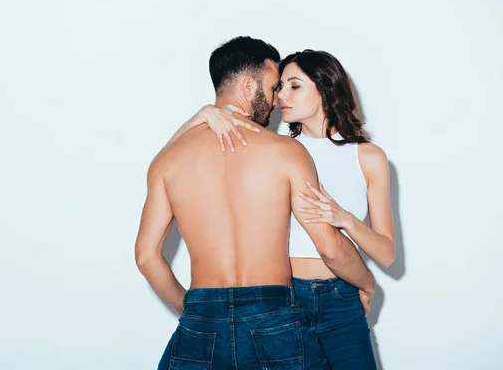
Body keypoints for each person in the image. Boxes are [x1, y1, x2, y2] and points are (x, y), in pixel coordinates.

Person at [135, 37, 374, 369]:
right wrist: (366, 282)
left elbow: (147, 257)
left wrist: (192, 310)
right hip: (273, 317)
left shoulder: (168, 159)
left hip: (201, 318)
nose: (277, 101)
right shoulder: (285, 152)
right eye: (274, 87)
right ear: (249, 86)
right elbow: (329, 246)